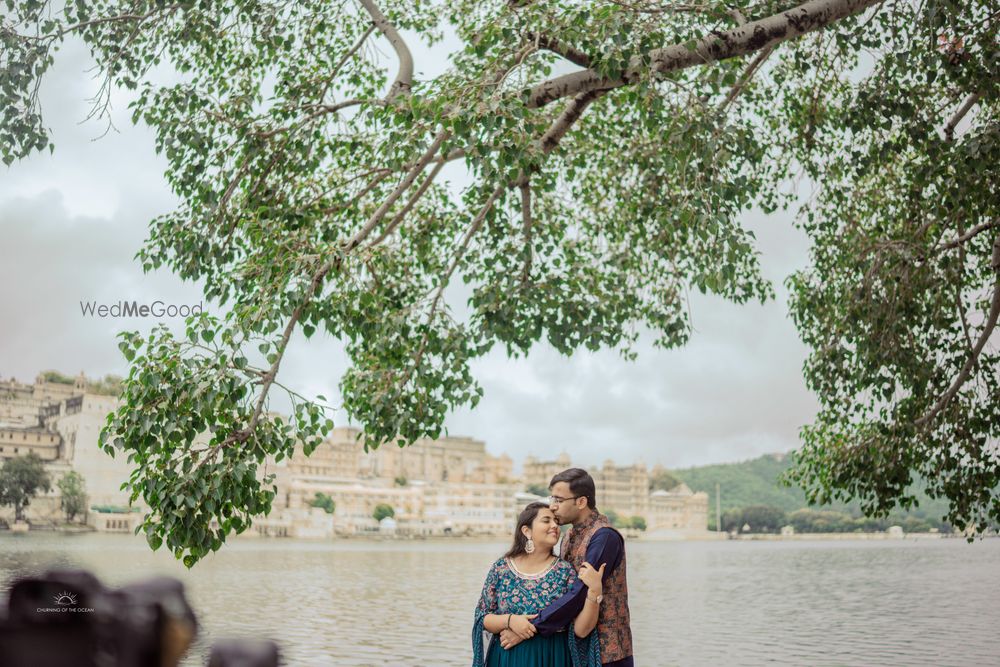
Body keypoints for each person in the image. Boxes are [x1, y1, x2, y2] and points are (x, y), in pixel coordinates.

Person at [498, 468, 634, 667]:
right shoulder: (569, 535)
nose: (552, 507)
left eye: (559, 501)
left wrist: (529, 629)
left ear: (581, 502)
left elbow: (579, 592)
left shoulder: (604, 537)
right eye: (552, 498)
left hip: (607, 651)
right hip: (572, 646)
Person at [472, 501, 603, 667]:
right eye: (546, 520)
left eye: (556, 521)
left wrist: (594, 591)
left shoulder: (565, 572)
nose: (555, 525)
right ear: (526, 530)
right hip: (506, 659)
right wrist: (510, 621)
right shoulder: (501, 568)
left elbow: (581, 630)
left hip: (552, 657)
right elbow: (482, 618)